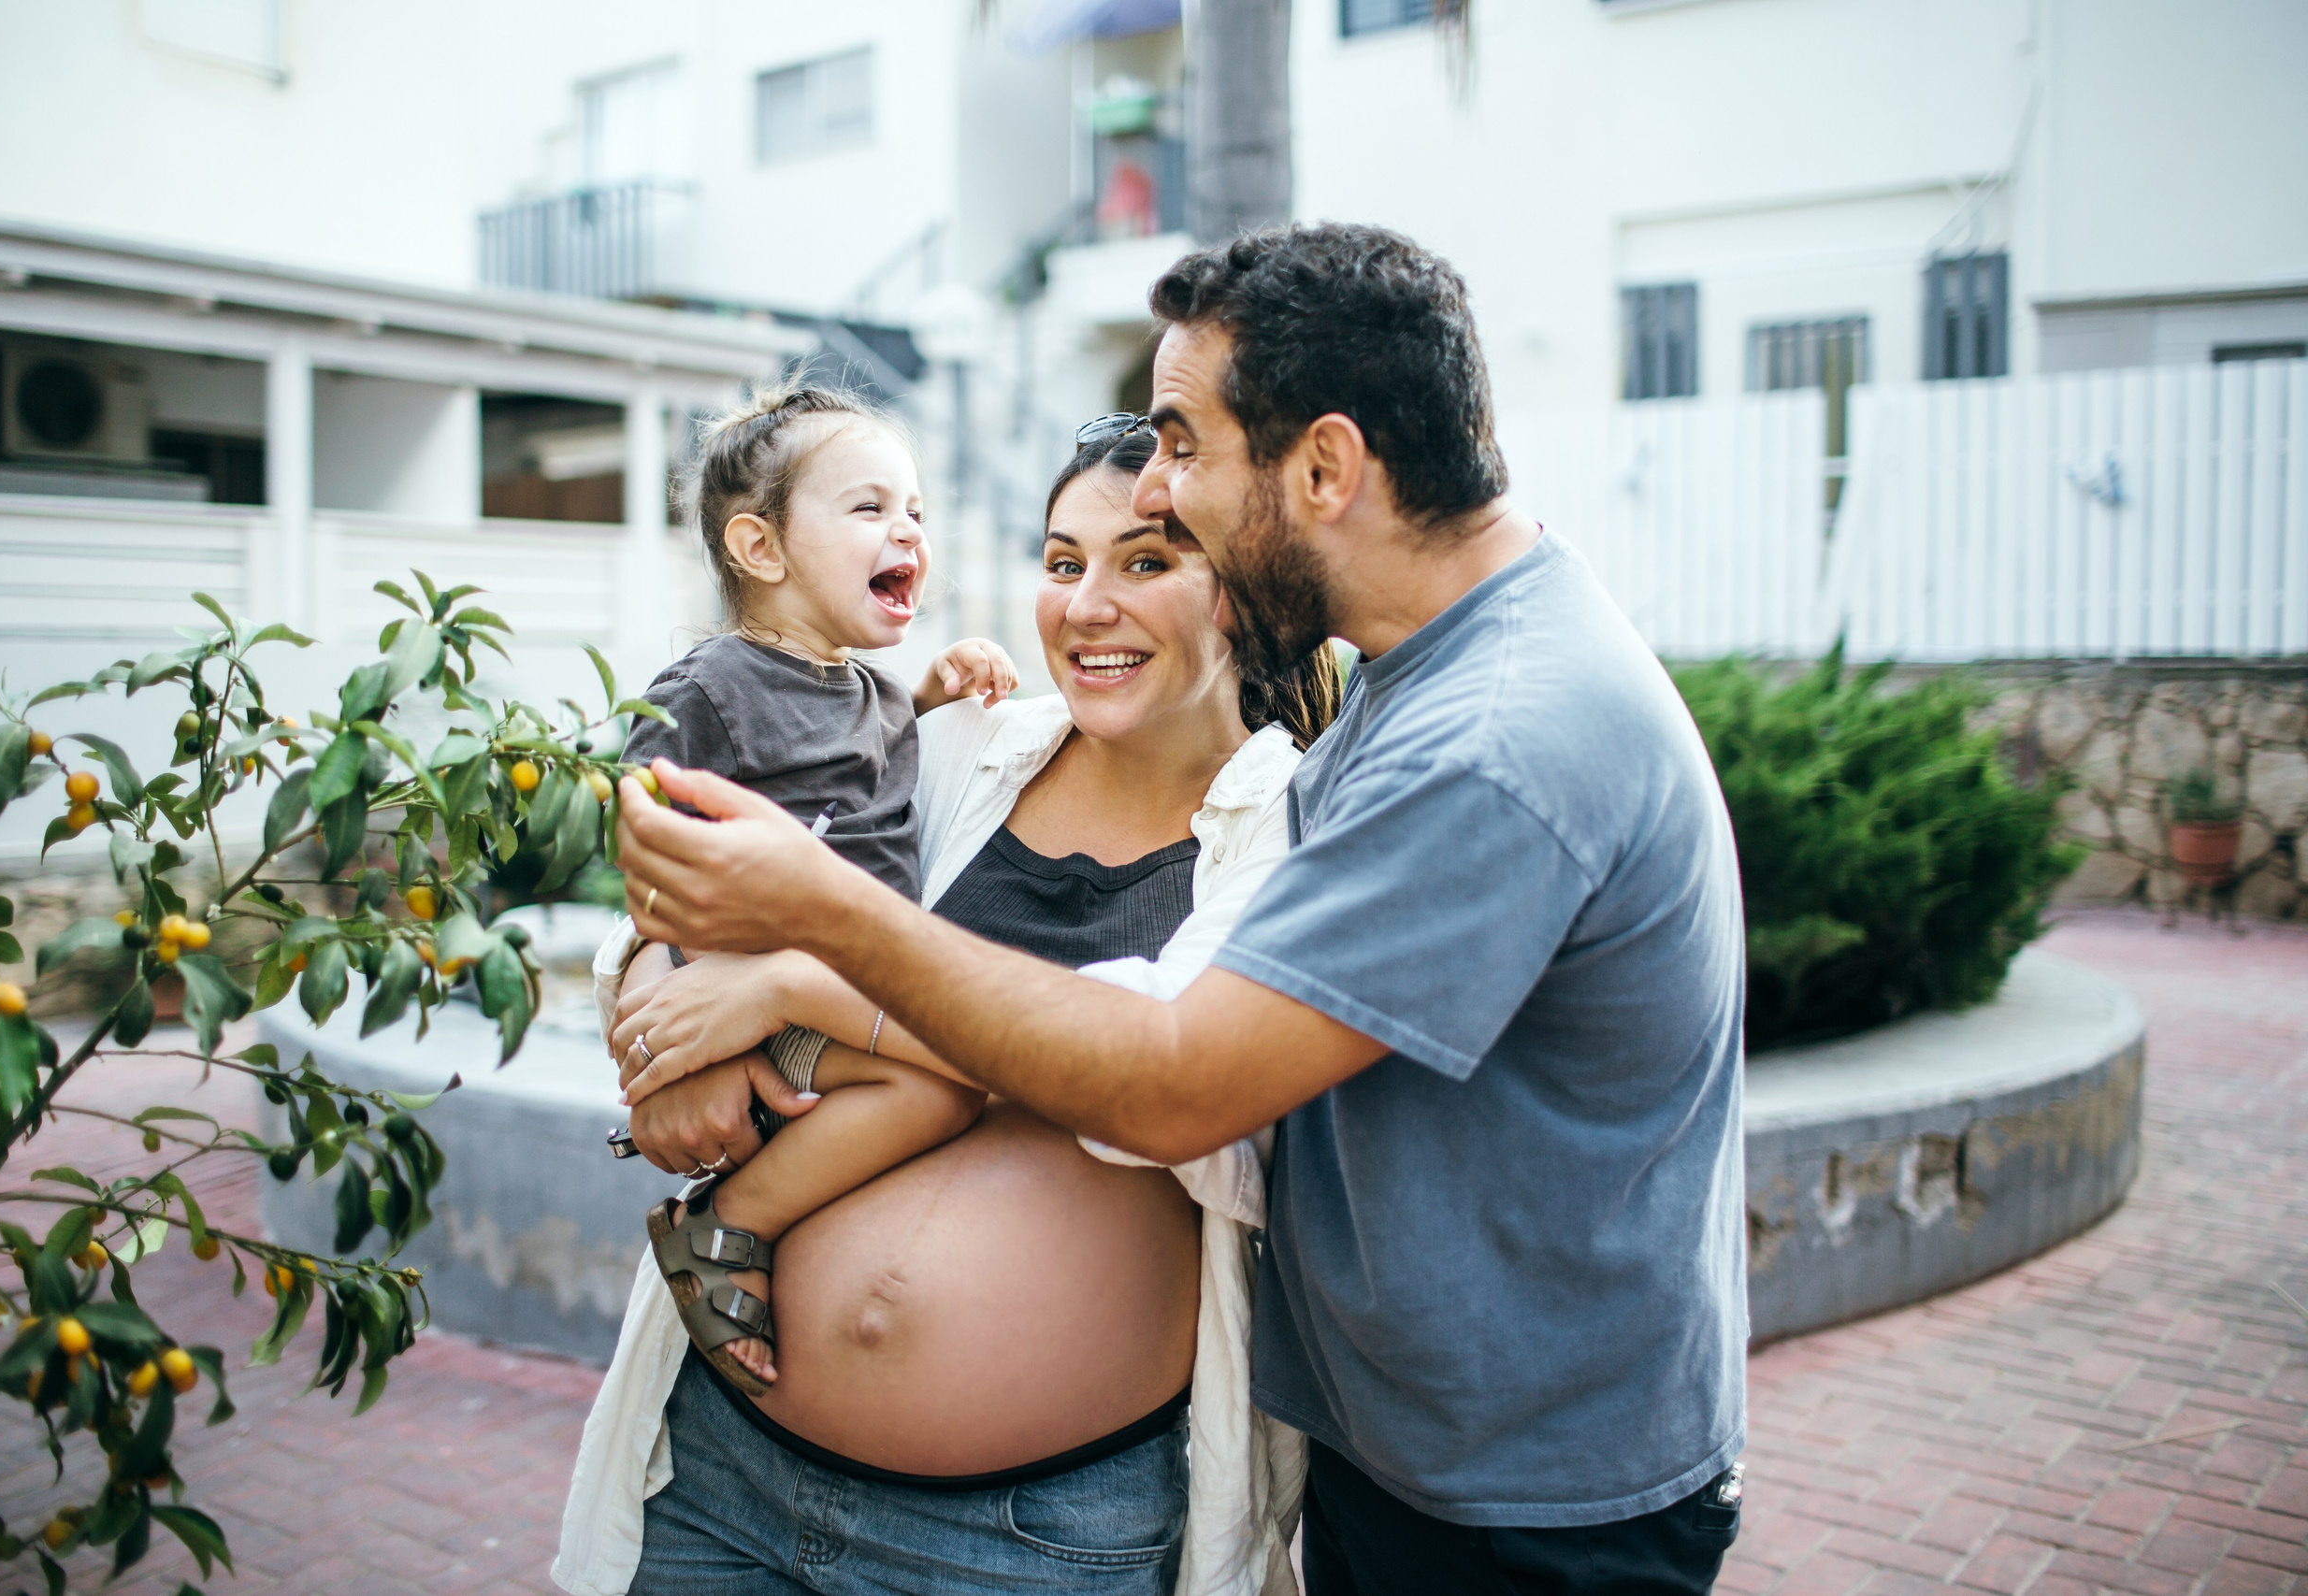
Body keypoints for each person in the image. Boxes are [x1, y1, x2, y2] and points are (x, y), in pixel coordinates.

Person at [610, 223, 1753, 1596]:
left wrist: (817, 956)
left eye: (1183, 449)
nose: (1159, 483)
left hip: (1525, 1504)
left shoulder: (1495, 738)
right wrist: (676, 993)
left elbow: (1170, 1079)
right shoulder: (1418, 686)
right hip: (1407, 1459)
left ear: (1324, 467)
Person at [554, 421, 1343, 1596]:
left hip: (1024, 1540)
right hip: (722, 1470)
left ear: (1244, 589)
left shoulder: (1298, 826)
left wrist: (791, 985)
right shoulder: (962, 745)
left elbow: (1154, 1084)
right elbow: (704, 880)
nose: (1085, 606)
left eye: (1145, 561)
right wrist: (673, 1013)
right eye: (1063, 562)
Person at [614, 380, 1019, 1394]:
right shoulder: (709, 689)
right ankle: (727, 1224)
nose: (908, 531)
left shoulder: (874, 689)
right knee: (937, 1086)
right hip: (763, 1004)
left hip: (847, 992)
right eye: (870, 508)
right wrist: (672, 1032)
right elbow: (648, 859)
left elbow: (868, 773)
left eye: (917, 511)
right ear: (760, 549)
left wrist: (938, 690)